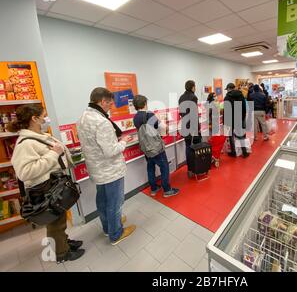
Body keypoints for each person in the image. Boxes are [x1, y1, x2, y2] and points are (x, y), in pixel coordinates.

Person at [9, 104, 85, 263]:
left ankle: (63, 242)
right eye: (44, 115)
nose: (46, 118)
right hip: (45, 190)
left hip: (54, 187)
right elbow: (25, 172)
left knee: (60, 219)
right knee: (55, 223)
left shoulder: (39, 135)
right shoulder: (25, 143)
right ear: (34, 119)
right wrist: (53, 154)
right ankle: (62, 253)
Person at [77, 87, 135, 246]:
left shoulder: (83, 117)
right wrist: (124, 141)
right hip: (110, 170)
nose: (111, 106)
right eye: (110, 103)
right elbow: (111, 151)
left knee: (102, 201)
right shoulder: (102, 122)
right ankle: (116, 233)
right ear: (102, 101)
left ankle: (108, 227)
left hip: (97, 169)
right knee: (115, 203)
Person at [133, 95, 179, 198]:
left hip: (146, 148)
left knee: (150, 167)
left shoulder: (135, 117)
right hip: (156, 147)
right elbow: (162, 127)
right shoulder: (149, 114)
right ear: (145, 103)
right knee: (164, 167)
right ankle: (167, 190)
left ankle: (153, 189)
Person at [178, 80, 201, 177]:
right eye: (195, 86)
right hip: (193, 127)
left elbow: (181, 113)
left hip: (184, 125)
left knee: (188, 147)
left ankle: (190, 169)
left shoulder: (181, 97)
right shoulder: (193, 97)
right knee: (197, 147)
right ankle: (198, 168)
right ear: (192, 87)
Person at [223, 83, 249, 158]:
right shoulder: (241, 96)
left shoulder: (227, 97)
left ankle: (233, 152)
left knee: (231, 136)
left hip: (230, 119)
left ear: (228, 88)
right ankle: (244, 152)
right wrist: (242, 118)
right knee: (241, 136)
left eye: (227, 89)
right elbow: (244, 108)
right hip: (239, 118)